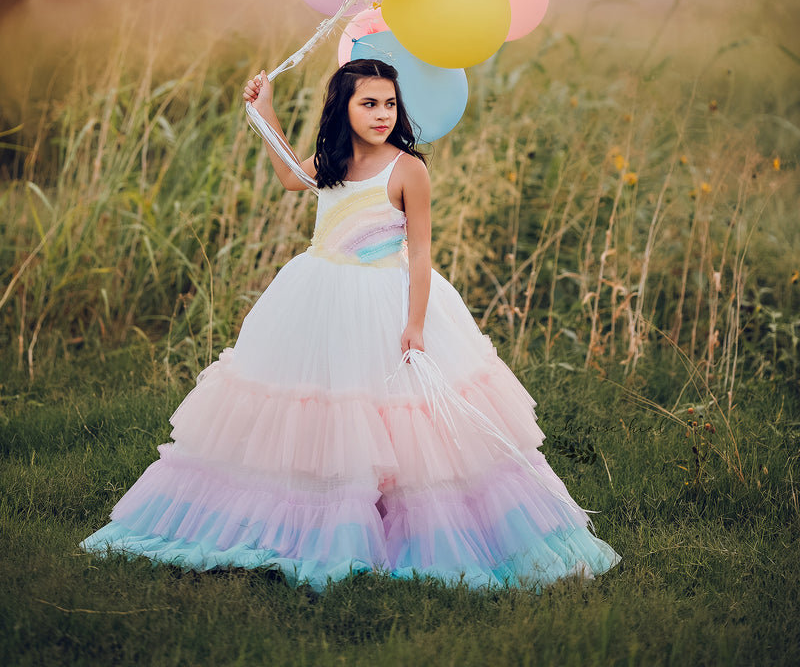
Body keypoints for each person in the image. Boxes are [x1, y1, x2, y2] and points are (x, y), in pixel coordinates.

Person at [81, 58, 619, 590]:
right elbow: (291, 179)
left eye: (389, 103)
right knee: (316, 406)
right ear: (344, 108)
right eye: (369, 103)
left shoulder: (407, 168)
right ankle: (305, 522)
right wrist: (263, 111)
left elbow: (421, 253)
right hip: (319, 293)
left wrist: (415, 324)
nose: (382, 113)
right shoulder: (331, 160)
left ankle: (410, 529)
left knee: (400, 420)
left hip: (385, 297)